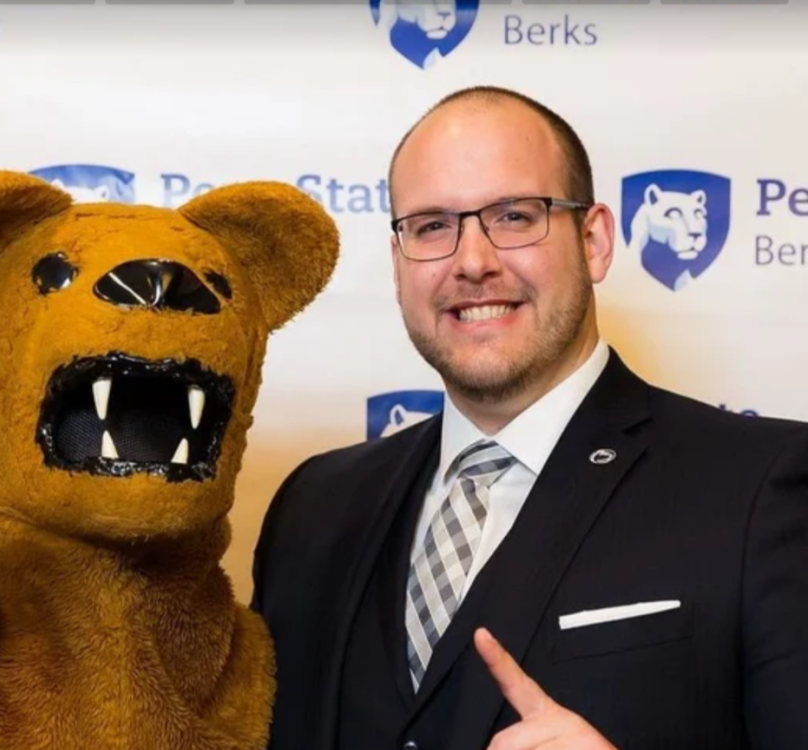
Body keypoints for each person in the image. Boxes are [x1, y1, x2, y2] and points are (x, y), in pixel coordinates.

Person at [250, 85, 808, 750]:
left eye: (515, 215)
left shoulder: (763, 488)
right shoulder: (313, 506)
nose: (473, 261)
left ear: (595, 240)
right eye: (432, 226)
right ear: (398, 265)